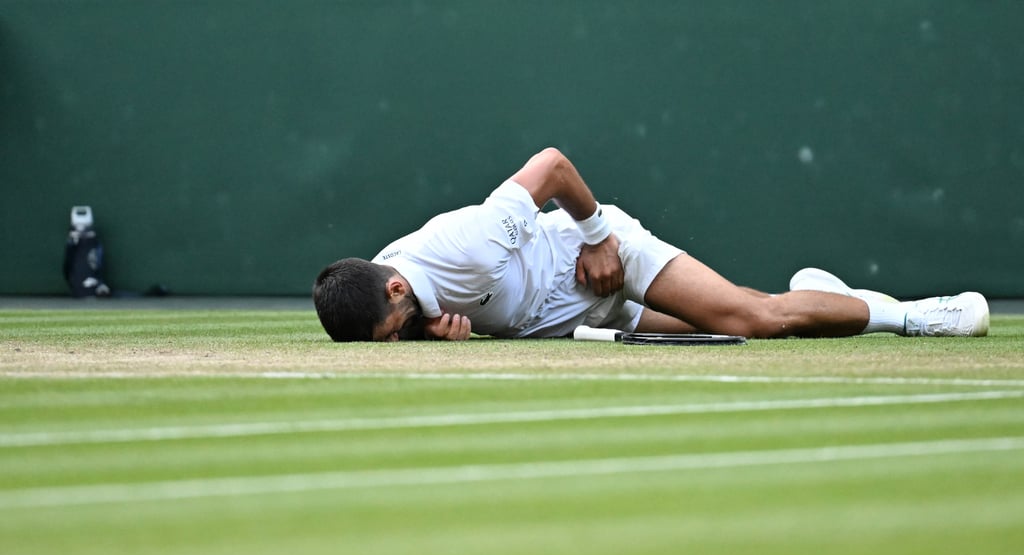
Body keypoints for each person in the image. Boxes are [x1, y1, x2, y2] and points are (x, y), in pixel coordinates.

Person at [313, 147, 989, 342]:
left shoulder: (467, 244)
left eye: (395, 333)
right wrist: (439, 333)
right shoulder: (395, 285)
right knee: (735, 318)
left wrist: (597, 237)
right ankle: (828, 298)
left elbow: (551, 165)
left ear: (395, 287)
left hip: (595, 267)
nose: (400, 343)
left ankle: (917, 315)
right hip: (568, 316)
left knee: (752, 320)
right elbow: (437, 314)